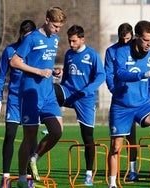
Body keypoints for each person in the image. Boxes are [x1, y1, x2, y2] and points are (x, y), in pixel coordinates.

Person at [107, 20, 150, 188]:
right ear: (137, 37)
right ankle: (113, 183)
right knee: (116, 147)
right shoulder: (121, 52)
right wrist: (141, 75)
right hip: (122, 105)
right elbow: (120, 73)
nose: (149, 44)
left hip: (143, 104)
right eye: (146, 40)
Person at [10, 6, 66, 188]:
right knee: (29, 136)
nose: (58, 30)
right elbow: (15, 61)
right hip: (30, 93)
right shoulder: (32, 38)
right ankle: (21, 178)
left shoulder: (55, 39)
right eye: (56, 26)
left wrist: (54, 72)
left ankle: (34, 157)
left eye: (60, 27)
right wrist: (38, 71)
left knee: (57, 131)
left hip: (48, 93)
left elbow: (45, 63)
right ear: (47, 20)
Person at [53, 25, 105, 186]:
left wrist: (88, 89)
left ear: (82, 39)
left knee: (87, 137)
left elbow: (101, 75)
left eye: (74, 41)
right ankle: (52, 124)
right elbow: (67, 75)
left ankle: (89, 173)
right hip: (69, 91)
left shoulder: (92, 55)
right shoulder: (68, 54)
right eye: (69, 40)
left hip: (85, 98)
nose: (71, 44)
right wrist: (60, 76)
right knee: (50, 91)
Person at [0, 20, 36, 188]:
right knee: (10, 135)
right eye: (24, 36)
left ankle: (28, 177)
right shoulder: (10, 50)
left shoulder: (36, 52)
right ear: (20, 34)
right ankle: (5, 178)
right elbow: (0, 75)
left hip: (31, 99)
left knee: (31, 138)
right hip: (13, 99)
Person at [104, 22, 139, 182]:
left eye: (128, 38)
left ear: (132, 35)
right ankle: (114, 175)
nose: (126, 41)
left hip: (137, 98)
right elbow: (109, 73)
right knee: (118, 139)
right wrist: (113, 89)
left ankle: (134, 170)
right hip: (120, 101)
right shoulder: (111, 51)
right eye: (122, 38)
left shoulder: (136, 49)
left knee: (133, 137)